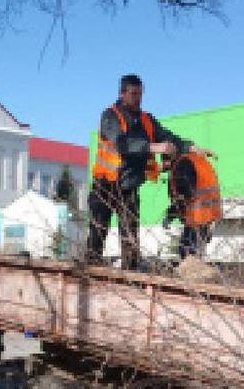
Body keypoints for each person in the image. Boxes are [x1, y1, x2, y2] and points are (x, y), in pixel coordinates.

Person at [86, 73, 213, 270]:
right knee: (98, 232)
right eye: (134, 93)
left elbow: (168, 137)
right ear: (122, 93)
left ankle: (131, 273)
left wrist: (192, 147)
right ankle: (91, 270)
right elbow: (122, 143)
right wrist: (155, 147)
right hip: (105, 185)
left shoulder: (147, 120)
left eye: (141, 93)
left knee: (130, 235)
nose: (138, 98)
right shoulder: (110, 116)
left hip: (128, 186)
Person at [163, 149, 222, 260]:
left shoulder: (181, 166)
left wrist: (171, 214)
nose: (163, 164)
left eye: (164, 159)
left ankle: (191, 274)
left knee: (187, 251)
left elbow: (184, 194)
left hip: (197, 213)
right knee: (196, 249)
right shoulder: (194, 159)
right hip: (210, 210)